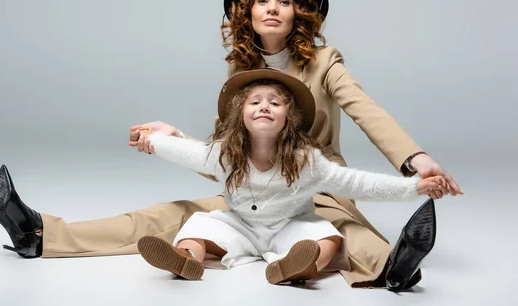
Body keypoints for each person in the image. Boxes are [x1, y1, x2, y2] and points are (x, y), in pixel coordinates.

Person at [0, 0, 463, 291]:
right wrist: (171, 138)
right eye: (262, 0)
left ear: (299, 12)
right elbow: (219, 154)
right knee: (166, 215)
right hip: (248, 184)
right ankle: (39, 235)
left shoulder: (323, 60)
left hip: (314, 181)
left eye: (284, 0)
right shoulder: (241, 72)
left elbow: (365, 108)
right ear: (248, 13)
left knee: (342, 230)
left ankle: (395, 268)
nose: (273, 7)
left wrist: (415, 162)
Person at [135, 68, 450, 285]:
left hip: (290, 228)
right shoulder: (225, 154)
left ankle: (300, 267)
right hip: (240, 226)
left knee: (327, 235)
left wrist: (415, 186)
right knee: (200, 224)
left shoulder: (307, 162)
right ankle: (186, 258)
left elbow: (358, 183)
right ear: (239, 116)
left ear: (289, 118)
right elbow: (187, 153)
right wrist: (154, 140)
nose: (265, 107)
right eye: (255, 102)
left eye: (275, 103)